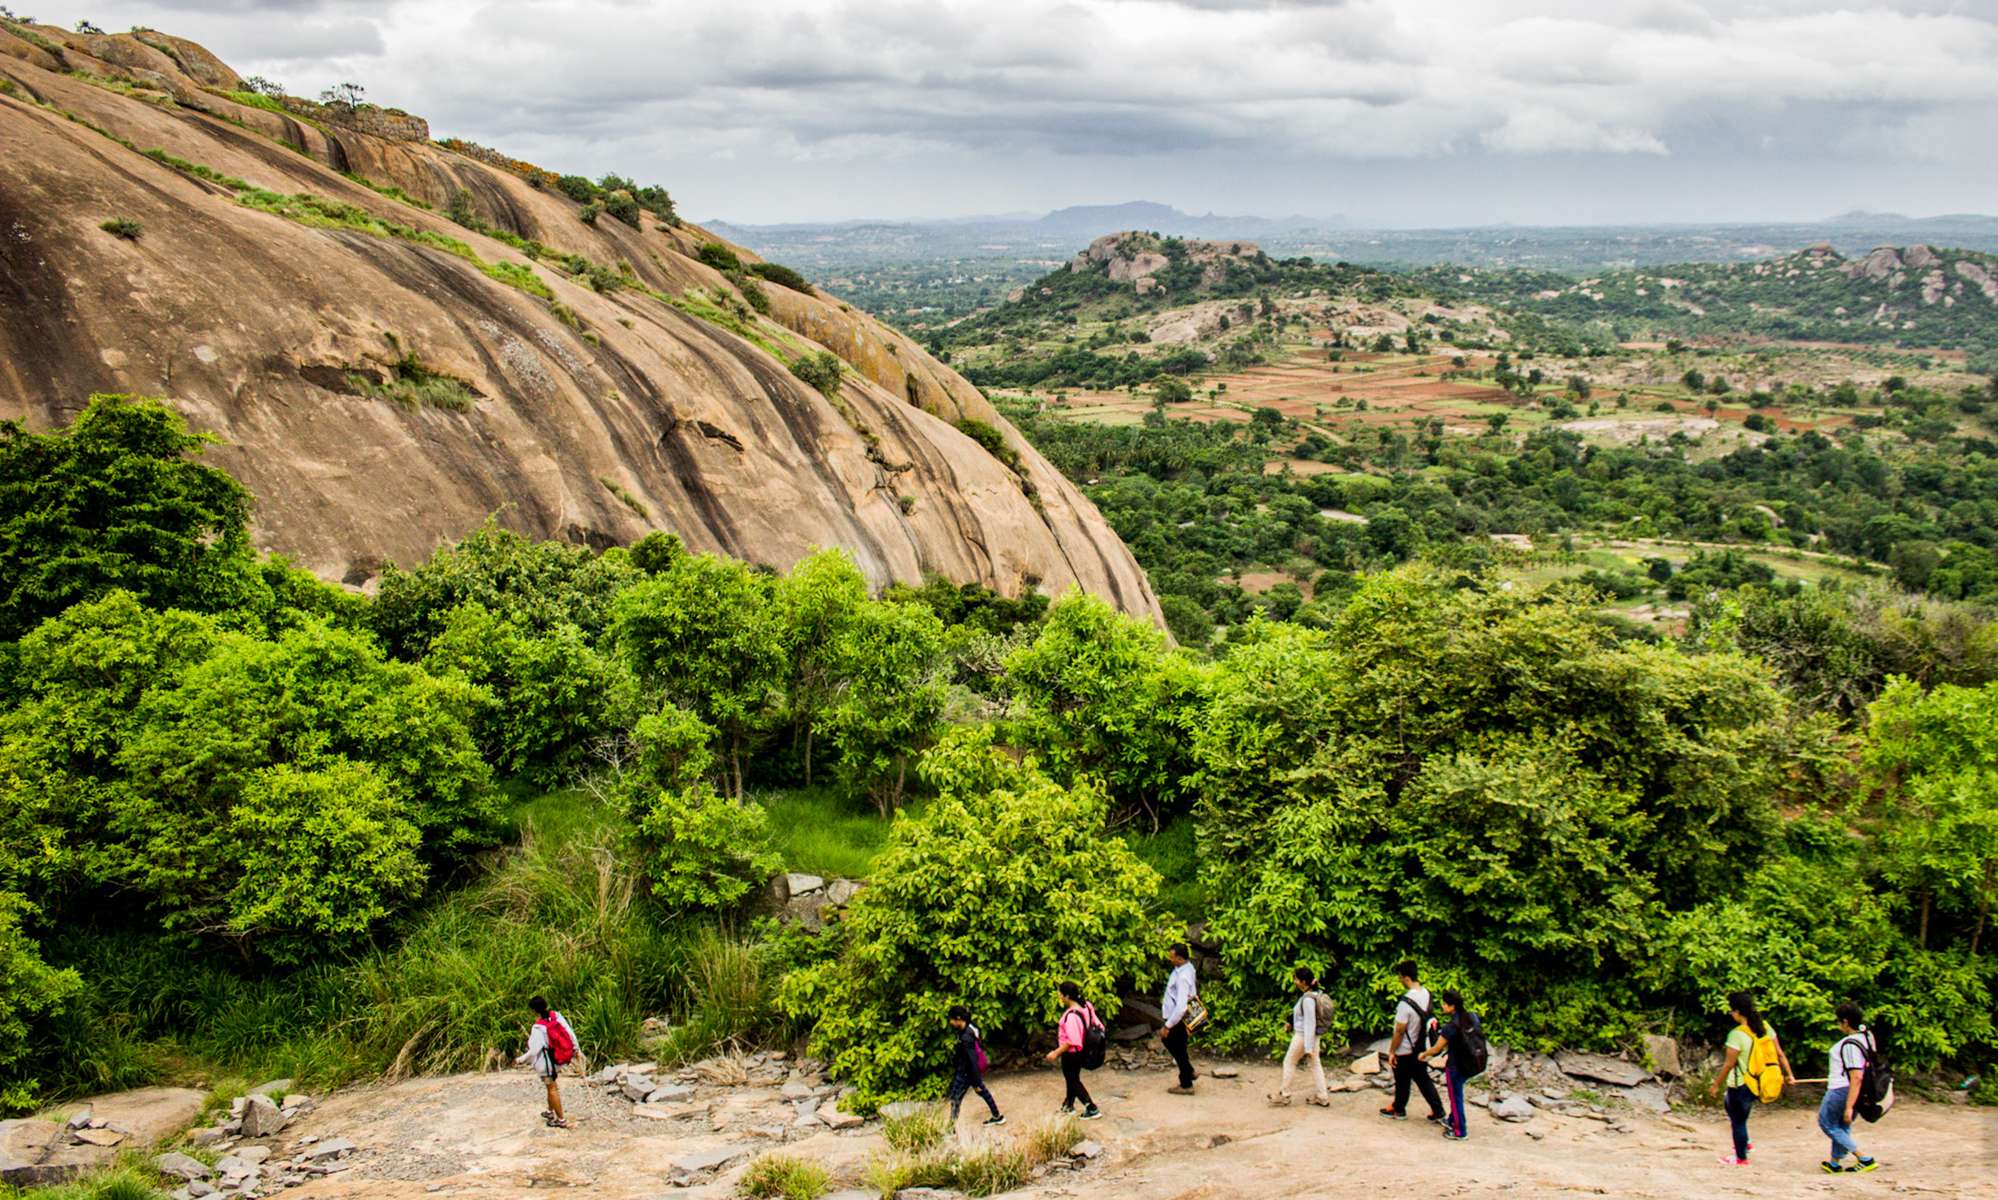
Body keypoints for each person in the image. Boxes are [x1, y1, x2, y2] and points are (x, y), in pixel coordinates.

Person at [1707, 990, 1796, 1166]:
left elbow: (1728, 1064)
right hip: (1759, 1080)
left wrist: (1716, 1085)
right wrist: (1789, 1074)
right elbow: (1779, 1053)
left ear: (1738, 1012)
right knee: (1733, 1110)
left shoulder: (1736, 1034)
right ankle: (1745, 1143)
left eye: (1732, 1011)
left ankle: (1740, 1158)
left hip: (1741, 1083)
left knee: (1738, 1120)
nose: (1731, 1014)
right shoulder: (1765, 1027)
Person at [1381, 960, 1445, 1124]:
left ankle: (1399, 1109)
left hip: (1406, 1048)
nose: (1399, 980)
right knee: (1423, 1078)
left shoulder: (1405, 1003)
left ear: (1406, 977)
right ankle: (1438, 1110)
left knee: (1402, 1079)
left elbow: (1400, 1030)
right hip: (1421, 1045)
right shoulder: (1426, 993)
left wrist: (1392, 1051)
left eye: (1400, 977)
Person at [1819, 1003, 1880, 1174]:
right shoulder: (1867, 1036)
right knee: (1842, 1125)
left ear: (1846, 1022)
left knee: (1827, 1123)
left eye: (1839, 1022)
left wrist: (1849, 1106)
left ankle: (1864, 1158)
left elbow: (1856, 1075)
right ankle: (1834, 1162)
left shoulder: (1850, 1044)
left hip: (1842, 1088)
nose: (1839, 1026)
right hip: (1854, 1088)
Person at [1418, 989, 1479, 1141]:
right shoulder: (1471, 1016)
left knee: (1455, 1097)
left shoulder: (1451, 1027)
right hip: (1471, 1062)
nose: (1442, 1006)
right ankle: (1452, 1120)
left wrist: (1424, 1054)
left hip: (1456, 1065)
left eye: (1445, 1004)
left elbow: (1437, 1048)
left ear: (1452, 1006)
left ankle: (1460, 1131)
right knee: (1456, 1094)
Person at [1268, 966, 1330, 1107]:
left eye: (1296, 978)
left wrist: (1308, 1047)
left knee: (1289, 1062)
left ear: (1303, 982)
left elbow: (1310, 1023)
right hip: (1313, 1037)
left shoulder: (1308, 999)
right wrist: (1291, 1023)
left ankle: (1284, 1094)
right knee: (1315, 1064)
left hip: (1304, 1037)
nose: (1294, 981)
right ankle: (1322, 1096)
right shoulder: (1314, 993)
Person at [1043, 981, 1103, 1121]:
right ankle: (1068, 1105)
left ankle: (1091, 1107)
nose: (1059, 995)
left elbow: (1072, 1041)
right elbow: (1098, 1024)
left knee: (1072, 1080)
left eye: (1061, 993)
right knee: (1072, 1078)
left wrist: (1055, 1053)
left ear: (1067, 996)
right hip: (1083, 1049)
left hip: (1072, 1053)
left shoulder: (1071, 1016)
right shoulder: (1086, 1006)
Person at [515, 996, 577, 1129]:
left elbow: (534, 1051)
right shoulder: (557, 1016)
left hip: (546, 1065)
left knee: (552, 1088)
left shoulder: (538, 1028)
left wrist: (520, 1060)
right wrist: (576, 1049)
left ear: (534, 1011)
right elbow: (570, 1033)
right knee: (550, 1087)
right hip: (559, 1059)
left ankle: (560, 1120)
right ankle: (550, 1112)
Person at [947, 1005, 1005, 1127]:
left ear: (958, 1019)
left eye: (951, 1019)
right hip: (968, 1071)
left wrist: (976, 1081)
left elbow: (972, 1060)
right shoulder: (970, 1027)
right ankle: (997, 1116)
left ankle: (950, 1128)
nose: (950, 1022)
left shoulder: (966, 1038)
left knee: (955, 1099)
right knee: (982, 1092)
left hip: (966, 1072)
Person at [1158, 943, 1198, 1095]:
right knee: (1180, 1047)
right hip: (1177, 1015)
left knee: (1173, 1044)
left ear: (1180, 958)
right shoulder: (1187, 968)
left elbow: (1181, 1006)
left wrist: (1168, 1025)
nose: (1170, 959)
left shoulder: (1183, 977)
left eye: (1172, 957)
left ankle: (1186, 1083)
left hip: (1177, 1017)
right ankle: (1189, 1071)